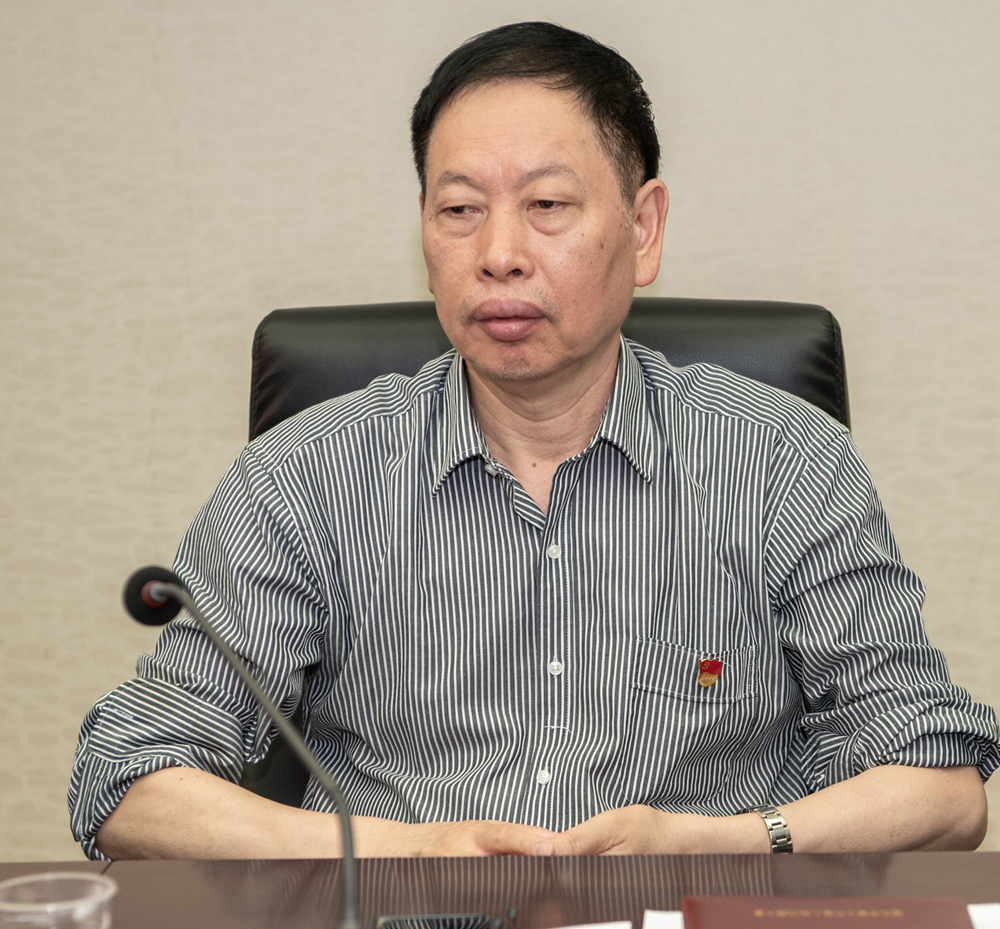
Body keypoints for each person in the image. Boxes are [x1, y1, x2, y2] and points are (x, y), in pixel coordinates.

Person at [70, 22, 998, 862]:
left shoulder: (781, 461)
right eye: (459, 210)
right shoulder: (307, 476)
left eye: (548, 205)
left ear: (643, 230)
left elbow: (943, 791)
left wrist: (724, 842)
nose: (499, 253)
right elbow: (129, 781)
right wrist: (409, 855)